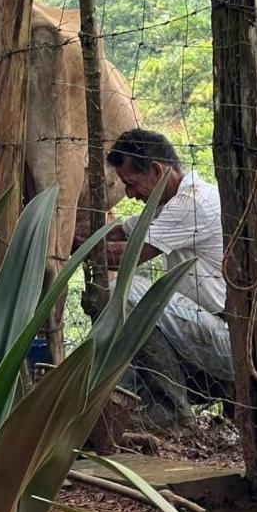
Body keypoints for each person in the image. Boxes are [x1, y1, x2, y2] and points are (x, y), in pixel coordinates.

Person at [77, 128, 234, 428]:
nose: (131, 195)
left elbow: (127, 253)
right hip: (198, 331)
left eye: (132, 184)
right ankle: (110, 409)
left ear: (157, 170)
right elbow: (122, 230)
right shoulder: (170, 202)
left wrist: (74, 247)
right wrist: (77, 233)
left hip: (224, 339)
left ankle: (171, 409)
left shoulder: (192, 203)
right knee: (123, 351)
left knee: (125, 292)